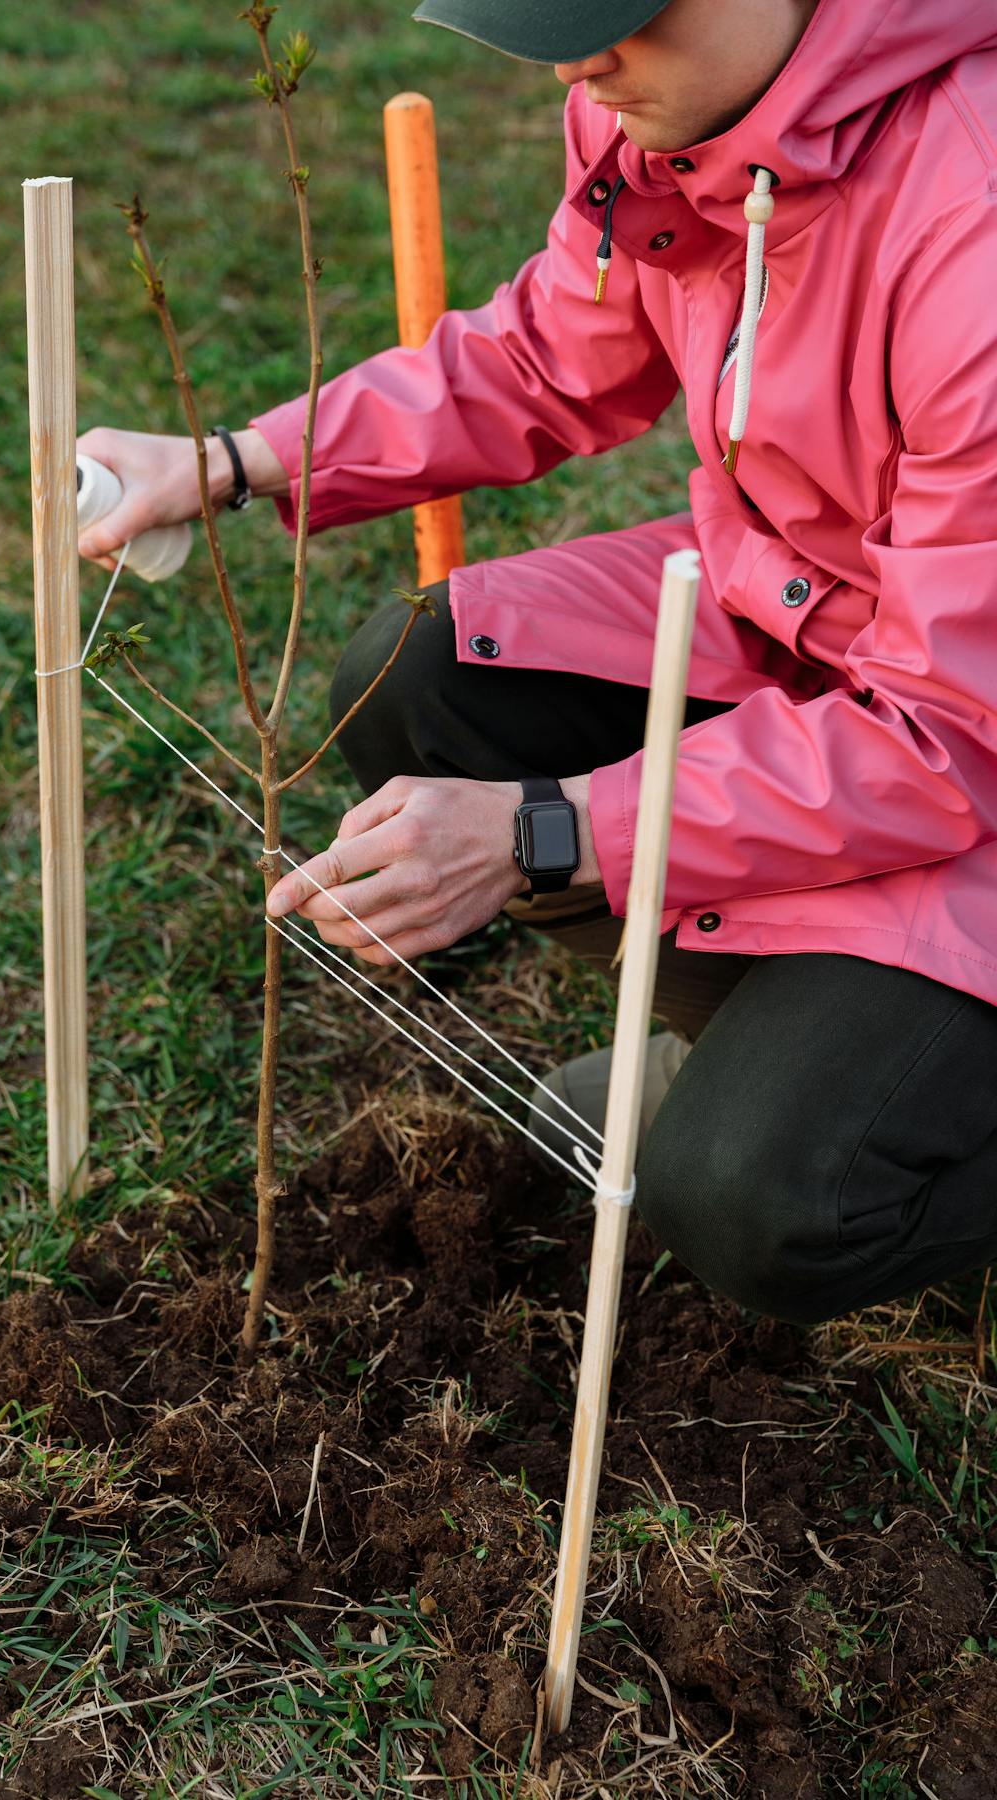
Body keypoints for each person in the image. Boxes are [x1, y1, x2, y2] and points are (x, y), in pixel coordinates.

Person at [77, 0, 997, 1327]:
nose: (576, 61)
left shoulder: (967, 215)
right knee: (428, 682)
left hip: (957, 731)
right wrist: (237, 464)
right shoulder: (676, 108)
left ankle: (829, 1108)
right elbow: (542, 354)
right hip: (803, 621)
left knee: (762, 1201)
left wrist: (549, 832)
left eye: (616, 11)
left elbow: (949, 733)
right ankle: (772, 1044)